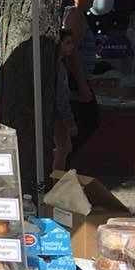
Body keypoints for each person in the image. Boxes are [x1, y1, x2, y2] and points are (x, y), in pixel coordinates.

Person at [62, 0, 99, 160]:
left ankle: (62, 161)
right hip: (74, 79)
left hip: (77, 79)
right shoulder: (75, 15)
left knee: (83, 122)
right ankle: (61, 162)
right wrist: (82, 84)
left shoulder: (79, 15)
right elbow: (71, 51)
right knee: (86, 121)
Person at [53, 29, 78, 171]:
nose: (72, 46)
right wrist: (70, 123)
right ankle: (56, 183)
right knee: (62, 149)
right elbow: (60, 97)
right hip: (58, 116)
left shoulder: (60, 65)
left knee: (65, 148)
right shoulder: (58, 67)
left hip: (58, 114)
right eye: (67, 43)